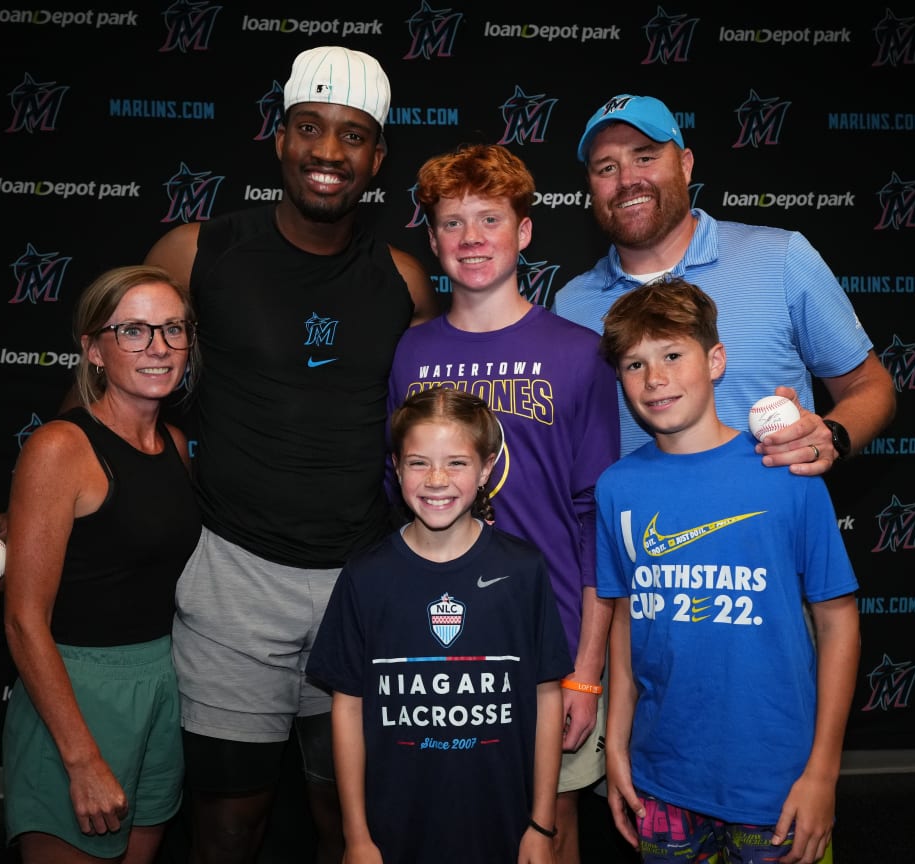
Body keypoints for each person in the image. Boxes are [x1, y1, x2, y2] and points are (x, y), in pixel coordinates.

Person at [140, 45, 439, 864]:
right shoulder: (198, 252)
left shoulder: (404, 281)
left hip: (361, 584)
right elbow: (110, 393)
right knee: (230, 827)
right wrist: (32, 502)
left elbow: (442, 430)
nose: (328, 153)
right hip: (234, 580)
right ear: (280, 138)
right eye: (310, 128)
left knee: (349, 823)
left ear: (377, 159)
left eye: (352, 136)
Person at [387, 143, 619, 864]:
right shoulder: (411, 354)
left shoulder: (580, 353)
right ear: (431, 241)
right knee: (447, 825)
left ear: (524, 231)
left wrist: (587, 670)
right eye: (452, 224)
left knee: (550, 831)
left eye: (491, 219)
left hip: (550, 638)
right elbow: (397, 502)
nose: (472, 238)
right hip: (438, 640)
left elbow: (595, 522)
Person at [593, 278, 861, 864]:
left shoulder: (785, 472)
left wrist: (823, 772)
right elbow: (623, 621)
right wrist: (616, 747)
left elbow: (838, 623)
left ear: (715, 360)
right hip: (661, 776)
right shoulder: (617, 488)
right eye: (634, 364)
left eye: (671, 355)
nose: (655, 378)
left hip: (777, 781)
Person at [553, 93, 895, 473]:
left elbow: (869, 383)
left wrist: (832, 435)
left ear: (685, 166)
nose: (628, 180)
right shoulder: (571, 306)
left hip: (766, 525)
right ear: (590, 186)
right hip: (636, 530)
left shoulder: (780, 257)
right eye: (606, 168)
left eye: (645, 157)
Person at [307, 388, 572, 864]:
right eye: (417, 463)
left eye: (456, 463)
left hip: (504, 828)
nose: (436, 480)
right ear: (395, 466)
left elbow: (546, 696)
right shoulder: (366, 576)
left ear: (487, 469)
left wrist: (540, 823)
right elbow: (347, 708)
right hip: (392, 834)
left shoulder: (523, 571)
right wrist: (357, 837)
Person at [0, 265, 203, 863]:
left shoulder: (178, 446)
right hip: (77, 695)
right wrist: (81, 757)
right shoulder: (60, 447)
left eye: (173, 329)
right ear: (93, 349)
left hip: (161, 684)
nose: (159, 348)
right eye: (134, 331)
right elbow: (22, 620)